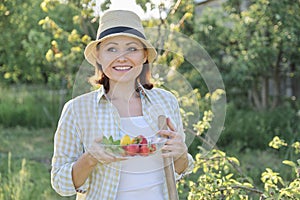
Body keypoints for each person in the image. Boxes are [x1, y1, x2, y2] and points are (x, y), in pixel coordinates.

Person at [51, 9, 194, 200]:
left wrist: (181, 153)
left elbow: (181, 169)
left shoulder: (167, 101)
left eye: (132, 48)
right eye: (111, 49)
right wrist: (90, 158)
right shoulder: (77, 110)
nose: (122, 57)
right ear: (99, 57)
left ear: (144, 56)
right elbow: (61, 183)